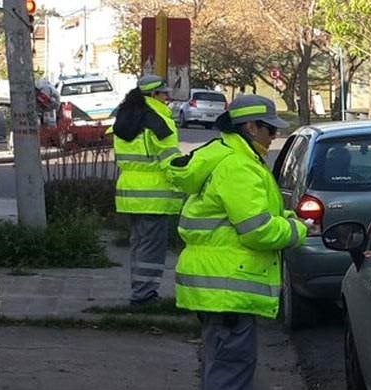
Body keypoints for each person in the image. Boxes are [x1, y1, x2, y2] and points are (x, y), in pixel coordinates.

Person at [168, 94, 308, 390]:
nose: (275, 135)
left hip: (217, 284)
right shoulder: (239, 167)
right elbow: (258, 231)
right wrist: (297, 230)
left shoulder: (228, 156)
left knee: (221, 364)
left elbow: (243, 214)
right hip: (228, 286)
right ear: (250, 128)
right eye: (270, 129)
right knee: (232, 370)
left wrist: (284, 215)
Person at [112, 74, 184, 305]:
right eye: (165, 94)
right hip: (155, 196)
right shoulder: (159, 120)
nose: (168, 99)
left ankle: (139, 289)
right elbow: (170, 161)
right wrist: (188, 179)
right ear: (154, 95)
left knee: (139, 244)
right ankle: (144, 295)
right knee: (152, 249)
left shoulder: (124, 117)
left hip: (130, 194)